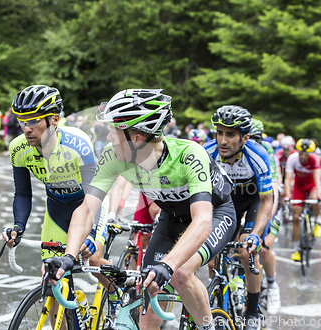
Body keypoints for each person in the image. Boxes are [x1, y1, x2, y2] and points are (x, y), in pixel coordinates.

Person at [47, 89, 236, 330]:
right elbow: (86, 210)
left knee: (180, 273)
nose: (109, 137)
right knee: (147, 314)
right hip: (172, 218)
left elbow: (202, 222)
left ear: (136, 137)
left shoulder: (189, 155)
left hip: (216, 214)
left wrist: (168, 265)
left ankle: (209, 327)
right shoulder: (114, 155)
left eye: (114, 131)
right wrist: (69, 256)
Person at [1, 85, 109, 323]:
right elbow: (22, 194)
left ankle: (119, 294)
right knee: (51, 275)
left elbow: (94, 195)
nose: (26, 129)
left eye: (34, 121)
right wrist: (18, 226)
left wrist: (90, 234)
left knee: (93, 258)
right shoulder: (18, 149)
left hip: (89, 204)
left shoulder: (77, 143)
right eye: (22, 121)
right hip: (56, 209)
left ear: (54, 120)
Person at [204, 106, 273, 328]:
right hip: (226, 203)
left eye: (231, 134)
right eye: (219, 133)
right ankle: (219, 295)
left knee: (246, 251)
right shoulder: (207, 154)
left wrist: (254, 235)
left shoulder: (257, 155)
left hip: (254, 200)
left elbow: (267, 200)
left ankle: (253, 311)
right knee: (211, 254)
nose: (223, 141)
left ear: (245, 137)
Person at [248, 119, 281, 315]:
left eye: (256, 139)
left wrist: (266, 220)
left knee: (264, 249)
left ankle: (272, 285)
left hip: (268, 202)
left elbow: (273, 192)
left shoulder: (266, 153)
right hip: (246, 202)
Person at [284, 139, 321, 261]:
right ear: (298, 152)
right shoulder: (292, 159)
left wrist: (320, 196)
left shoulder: (315, 159)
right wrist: (287, 195)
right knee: (296, 217)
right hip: (299, 187)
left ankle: (317, 220)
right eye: (302, 153)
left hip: (311, 186)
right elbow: (288, 178)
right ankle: (296, 249)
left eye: (307, 154)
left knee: (315, 198)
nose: (304, 156)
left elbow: (317, 179)